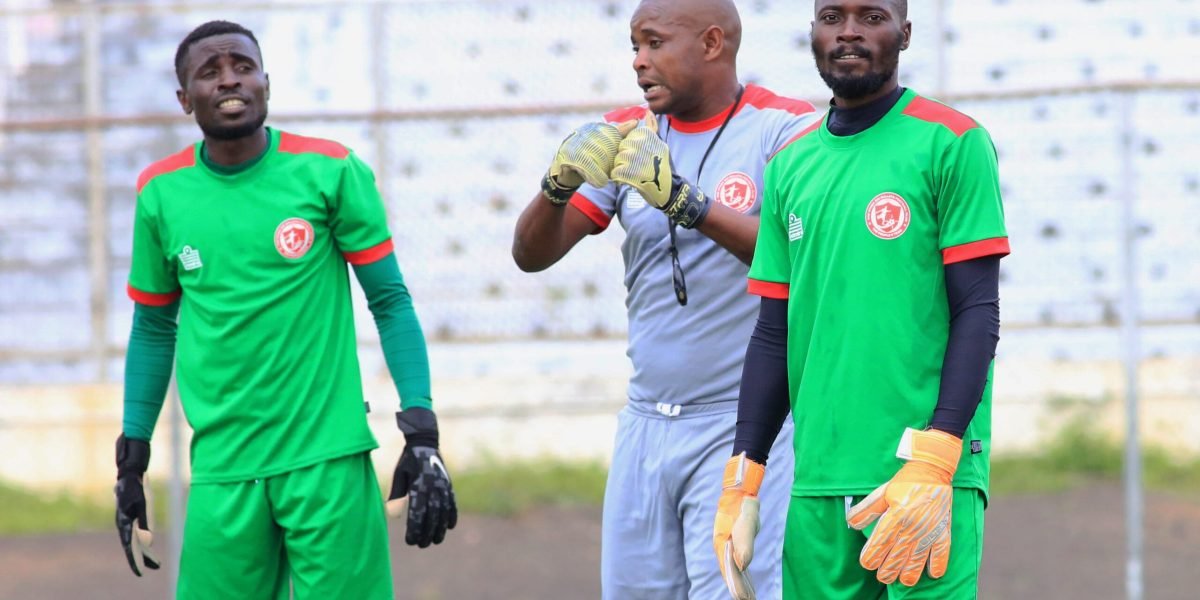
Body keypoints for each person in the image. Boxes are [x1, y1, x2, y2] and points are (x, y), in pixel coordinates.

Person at [114, 20, 456, 599]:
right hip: (224, 470)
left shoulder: (330, 171)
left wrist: (421, 430)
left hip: (328, 462)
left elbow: (390, 302)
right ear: (184, 99)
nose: (230, 80)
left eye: (243, 67)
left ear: (266, 83)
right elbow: (152, 327)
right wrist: (131, 457)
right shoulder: (160, 193)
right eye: (210, 71)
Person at [512, 0, 819, 597]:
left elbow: (799, 258)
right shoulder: (629, 132)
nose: (638, 62)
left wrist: (687, 202)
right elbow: (532, 255)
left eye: (653, 44)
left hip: (742, 425)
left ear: (711, 43)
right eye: (634, 46)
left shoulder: (785, 126)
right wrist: (556, 187)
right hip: (645, 423)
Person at [712, 0, 1010, 598]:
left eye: (871, 16)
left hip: (926, 480)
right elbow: (774, 332)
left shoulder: (952, 142)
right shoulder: (792, 165)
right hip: (819, 481)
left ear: (904, 33)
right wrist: (743, 478)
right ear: (814, 32)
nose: (849, 32)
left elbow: (977, 310)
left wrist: (938, 455)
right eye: (832, 16)